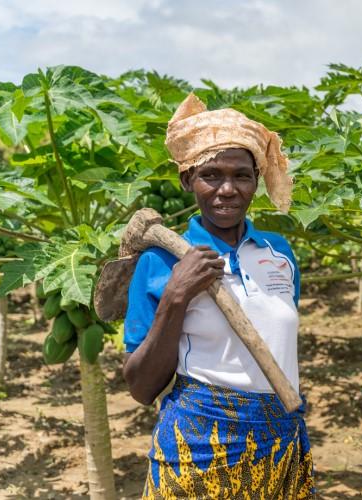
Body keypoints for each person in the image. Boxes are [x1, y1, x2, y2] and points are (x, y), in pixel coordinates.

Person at [122, 93, 314, 499]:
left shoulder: (278, 253)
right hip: (199, 447)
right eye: (212, 175)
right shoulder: (159, 262)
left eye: (241, 175)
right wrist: (177, 296)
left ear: (256, 182)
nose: (227, 189)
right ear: (187, 180)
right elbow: (140, 388)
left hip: (279, 439)